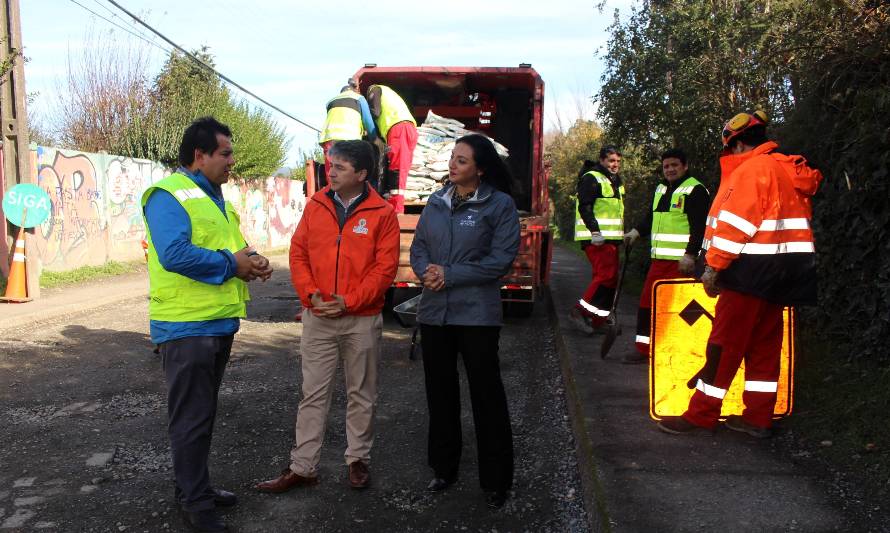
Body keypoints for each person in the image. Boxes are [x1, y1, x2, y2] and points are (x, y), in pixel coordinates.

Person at [141, 116, 273, 533]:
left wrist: (252, 258)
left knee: (203, 412)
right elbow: (174, 254)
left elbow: (232, 247)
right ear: (199, 155)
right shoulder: (168, 195)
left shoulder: (216, 197)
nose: (232, 161)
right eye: (225, 153)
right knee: (192, 417)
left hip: (216, 323)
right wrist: (231, 264)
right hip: (186, 326)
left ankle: (194, 488)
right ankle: (196, 505)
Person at [657, 111, 822, 437]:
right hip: (786, 274)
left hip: (748, 272)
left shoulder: (752, 170)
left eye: (729, 148)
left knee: (722, 346)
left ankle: (701, 415)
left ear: (739, 143)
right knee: (765, 347)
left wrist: (714, 266)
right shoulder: (788, 169)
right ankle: (758, 418)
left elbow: (737, 226)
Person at [256, 140, 399, 493]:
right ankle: (303, 467)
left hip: (361, 318)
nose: (330, 172)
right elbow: (299, 252)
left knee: (361, 393)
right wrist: (310, 295)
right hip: (318, 315)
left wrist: (348, 301)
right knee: (312, 394)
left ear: (362, 174)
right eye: (330, 165)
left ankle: (358, 460)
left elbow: (384, 270)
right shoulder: (316, 204)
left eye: (339, 167)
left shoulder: (382, 214)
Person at [409, 133, 520, 509]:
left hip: (477, 317)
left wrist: (449, 275)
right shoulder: (436, 202)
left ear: (480, 168)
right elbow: (419, 246)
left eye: (461, 160)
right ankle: (444, 468)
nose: (452, 165)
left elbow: (499, 261)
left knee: (486, 397)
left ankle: (496, 480)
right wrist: (426, 271)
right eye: (452, 158)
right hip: (435, 315)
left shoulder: (499, 205)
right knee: (440, 395)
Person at [622, 148, 710, 363]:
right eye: (666, 166)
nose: (670, 169)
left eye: (674, 165)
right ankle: (644, 349)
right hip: (658, 262)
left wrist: (691, 255)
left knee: (681, 308)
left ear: (685, 166)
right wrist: (636, 232)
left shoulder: (696, 190)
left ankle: (681, 351)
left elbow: (701, 227)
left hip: (681, 264)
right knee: (647, 304)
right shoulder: (661, 189)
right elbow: (651, 218)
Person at [567, 146, 625, 334]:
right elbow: (585, 206)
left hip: (611, 238)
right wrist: (595, 231)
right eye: (611, 161)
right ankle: (580, 311)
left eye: (617, 161)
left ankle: (598, 318)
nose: (615, 164)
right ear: (601, 160)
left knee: (609, 278)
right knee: (606, 276)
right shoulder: (592, 178)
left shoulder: (614, 180)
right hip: (597, 238)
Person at [366, 83, 418, 214]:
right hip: (405, 128)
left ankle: (397, 209)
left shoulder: (375, 89)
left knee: (397, 168)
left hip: (399, 129)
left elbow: (375, 112)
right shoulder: (389, 93)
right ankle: (394, 204)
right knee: (399, 168)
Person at [319, 80, 377, 172]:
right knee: (350, 172)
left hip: (329, 140)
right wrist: (374, 139)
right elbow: (368, 122)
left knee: (332, 172)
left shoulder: (330, 101)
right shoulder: (359, 98)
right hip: (350, 140)